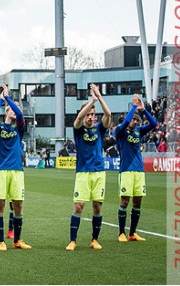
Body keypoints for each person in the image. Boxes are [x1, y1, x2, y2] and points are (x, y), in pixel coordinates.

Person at [66, 84, 111, 251]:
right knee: (78, 206)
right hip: (83, 173)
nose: (91, 117)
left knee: (97, 206)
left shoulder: (100, 129)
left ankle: (94, 239)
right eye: (89, 114)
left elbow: (109, 114)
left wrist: (99, 97)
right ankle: (73, 240)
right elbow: (78, 119)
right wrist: (91, 101)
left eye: (93, 114)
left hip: (98, 172)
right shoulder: (78, 130)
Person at [0, 85, 30, 251]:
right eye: (11, 109)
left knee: (18, 205)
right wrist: (1, 100)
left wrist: (9, 99)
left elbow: (19, 114)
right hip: (0, 170)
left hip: (17, 171)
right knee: (0, 206)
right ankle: (1, 241)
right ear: (6, 112)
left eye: (16, 108)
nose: (15, 110)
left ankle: (17, 240)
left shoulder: (19, 129)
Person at [114, 94, 157, 242]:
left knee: (138, 201)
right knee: (125, 201)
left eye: (138, 120)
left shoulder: (138, 132)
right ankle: (121, 233)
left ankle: (132, 233)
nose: (136, 122)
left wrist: (143, 110)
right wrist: (133, 106)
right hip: (126, 170)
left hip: (139, 170)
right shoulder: (120, 131)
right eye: (134, 119)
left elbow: (154, 124)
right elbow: (126, 121)